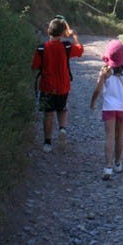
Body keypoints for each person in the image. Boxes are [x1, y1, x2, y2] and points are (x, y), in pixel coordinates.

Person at [90, 39, 123, 180]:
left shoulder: (105, 72)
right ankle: (118, 163)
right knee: (119, 136)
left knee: (109, 136)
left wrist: (93, 102)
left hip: (109, 107)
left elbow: (97, 90)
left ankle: (108, 167)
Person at [31, 16, 84, 153]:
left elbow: (35, 66)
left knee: (48, 114)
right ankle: (62, 128)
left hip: (47, 87)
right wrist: (74, 35)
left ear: (48, 31)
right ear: (62, 33)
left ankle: (47, 142)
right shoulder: (66, 46)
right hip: (63, 86)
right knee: (62, 109)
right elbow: (80, 50)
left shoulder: (42, 49)